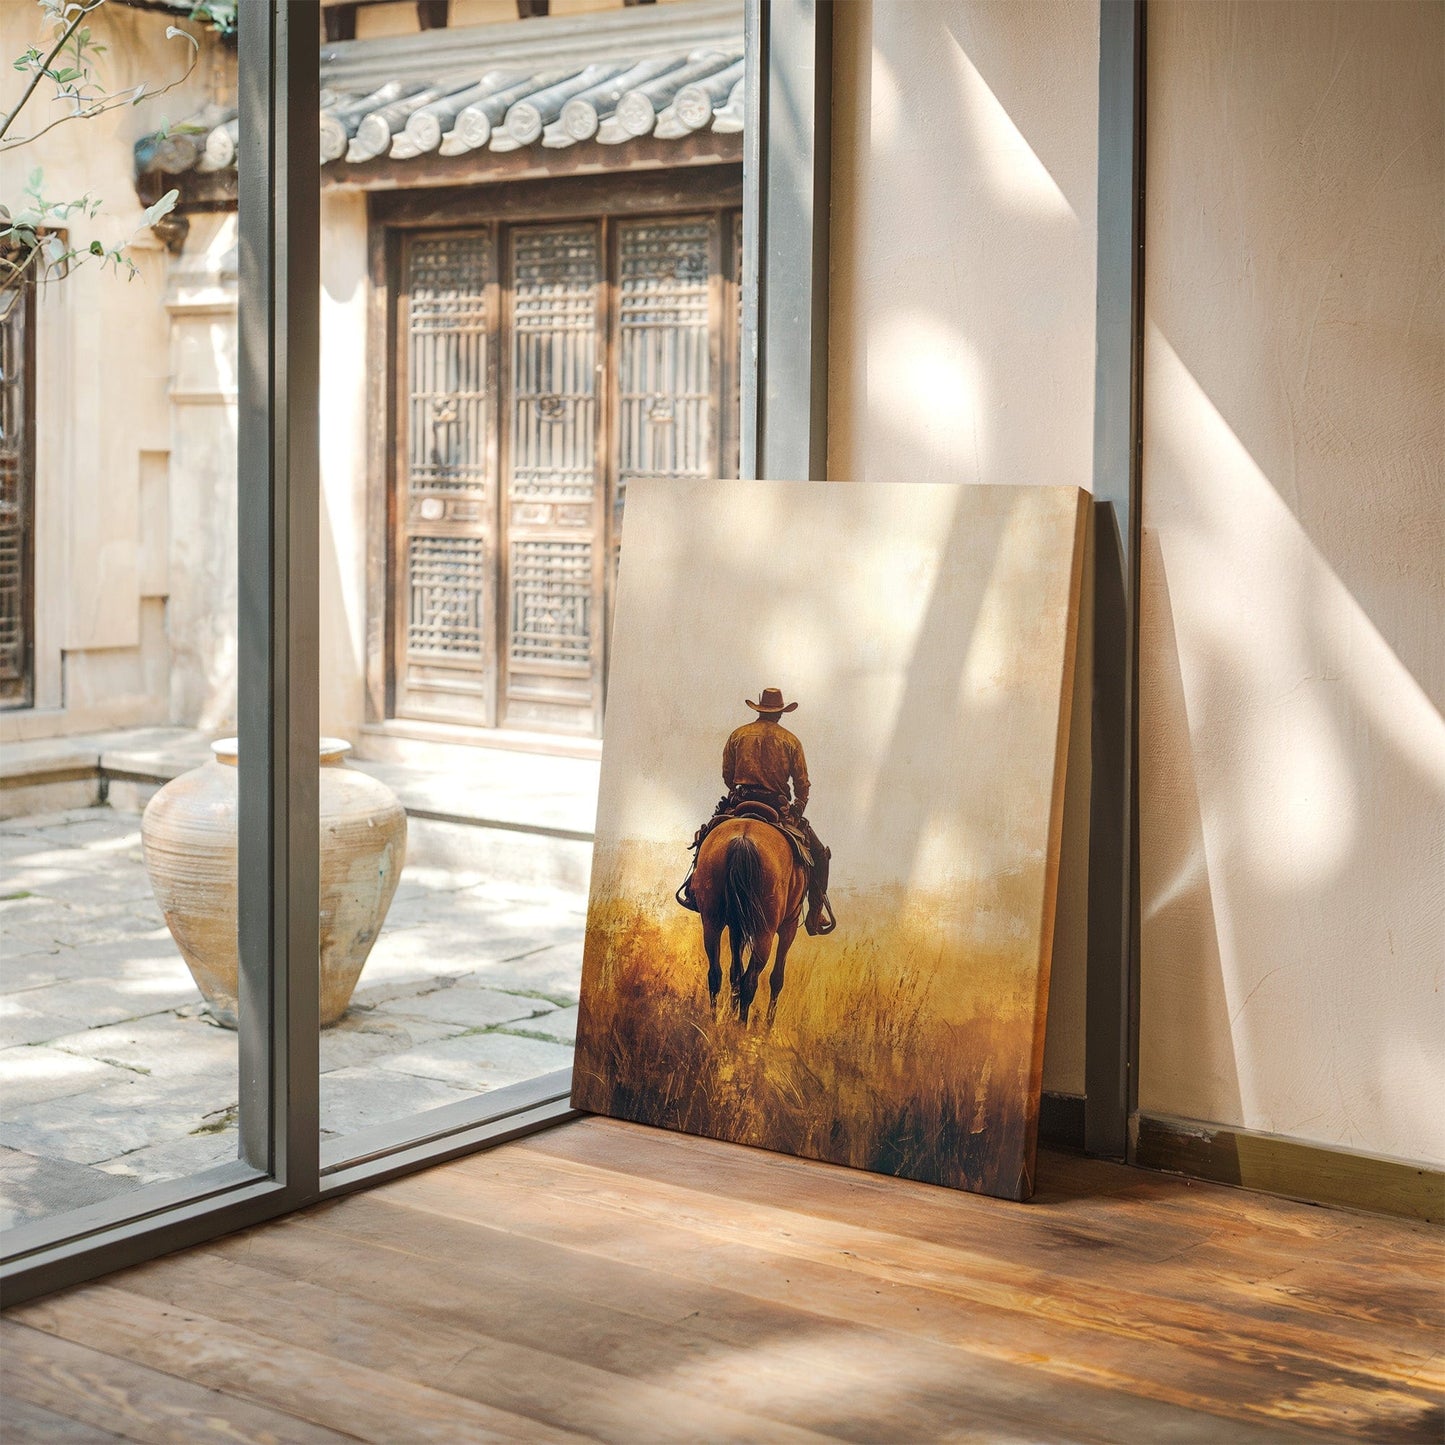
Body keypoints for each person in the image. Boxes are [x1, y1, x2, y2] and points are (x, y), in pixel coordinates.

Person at [681, 687, 835, 936]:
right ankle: (815, 915)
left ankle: (694, 889)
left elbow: (727, 776)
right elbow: (802, 785)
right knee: (819, 855)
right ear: (781, 713)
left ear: (760, 709)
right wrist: (797, 809)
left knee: (706, 838)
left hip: (740, 800)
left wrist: (739, 790)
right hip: (776, 806)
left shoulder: (738, 735)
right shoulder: (791, 740)